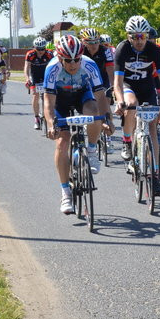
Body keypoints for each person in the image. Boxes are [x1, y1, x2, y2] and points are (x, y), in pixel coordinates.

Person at [43, 35, 108, 214]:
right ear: (60, 58)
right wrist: (51, 124)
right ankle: (65, 193)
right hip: (60, 101)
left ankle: (92, 151)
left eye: (76, 59)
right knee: (62, 142)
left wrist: (107, 118)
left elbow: (100, 96)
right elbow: (48, 102)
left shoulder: (89, 65)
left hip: (82, 95)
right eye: (68, 60)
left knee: (94, 113)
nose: (73, 64)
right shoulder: (52, 68)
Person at [113, 15, 160, 197]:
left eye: (143, 36)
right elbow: (117, 82)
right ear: (128, 36)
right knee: (131, 104)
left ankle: (155, 175)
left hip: (147, 87)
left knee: (152, 127)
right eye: (135, 37)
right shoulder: (122, 49)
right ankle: (127, 141)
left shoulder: (154, 49)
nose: (139, 41)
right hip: (128, 85)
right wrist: (119, 101)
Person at [79, 27, 114, 133]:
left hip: (102, 79)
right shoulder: (80, 51)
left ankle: (108, 127)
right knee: (88, 102)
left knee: (105, 103)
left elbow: (111, 71)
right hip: (85, 79)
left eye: (96, 42)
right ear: (84, 42)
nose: (94, 45)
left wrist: (113, 87)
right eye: (90, 42)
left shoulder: (105, 51)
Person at [24, 37, 54, 129]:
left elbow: (54, 66)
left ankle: (49, 114)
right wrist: (27, 79)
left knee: (49, 95)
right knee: (35, 95)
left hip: (46, 75)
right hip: (35, 76)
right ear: (34, 48)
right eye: (38, 49)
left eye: (42, 49)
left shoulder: (49, 54)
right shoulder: (30, 54)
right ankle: (36, 118)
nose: (40, 51)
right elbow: (26, 68)